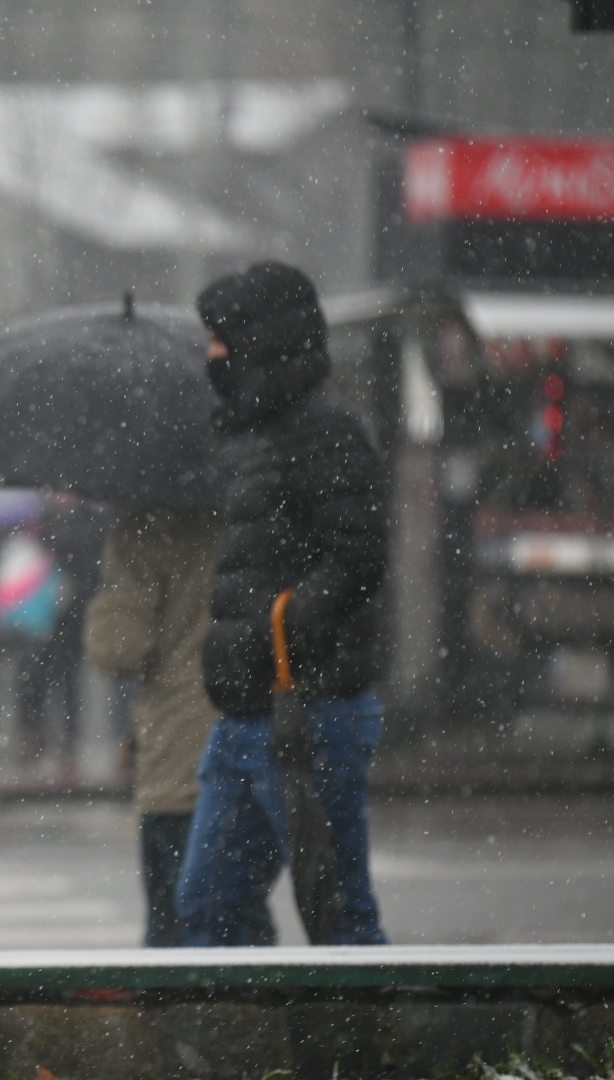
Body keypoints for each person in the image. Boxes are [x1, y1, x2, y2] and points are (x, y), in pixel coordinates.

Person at [175, 262, 389, 947]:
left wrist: (282, 629)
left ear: (260, 343)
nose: (212, 354)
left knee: (339, 916)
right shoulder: (259, 433)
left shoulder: (325, 431)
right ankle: (260, 1018)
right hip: (248, 711)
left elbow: (359, 556)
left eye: (221, 338)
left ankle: (363, 1023)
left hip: (309, 710)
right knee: (208, 904)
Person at [85, 507, 277, 947]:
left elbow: (119, 650)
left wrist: (106, 600)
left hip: (179, 747)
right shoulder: (254, 516)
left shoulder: (145, 528)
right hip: (256, 730)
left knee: (176, 926)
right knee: (242, 915)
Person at [22, 492, 109, 778]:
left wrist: (76, 588)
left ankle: (69, 745)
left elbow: (96, 565)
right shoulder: (43, 520)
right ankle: (37, 735)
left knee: (70, 682)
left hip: (73, 615)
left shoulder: (90, 522)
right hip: (43, 616)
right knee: (36, 677)